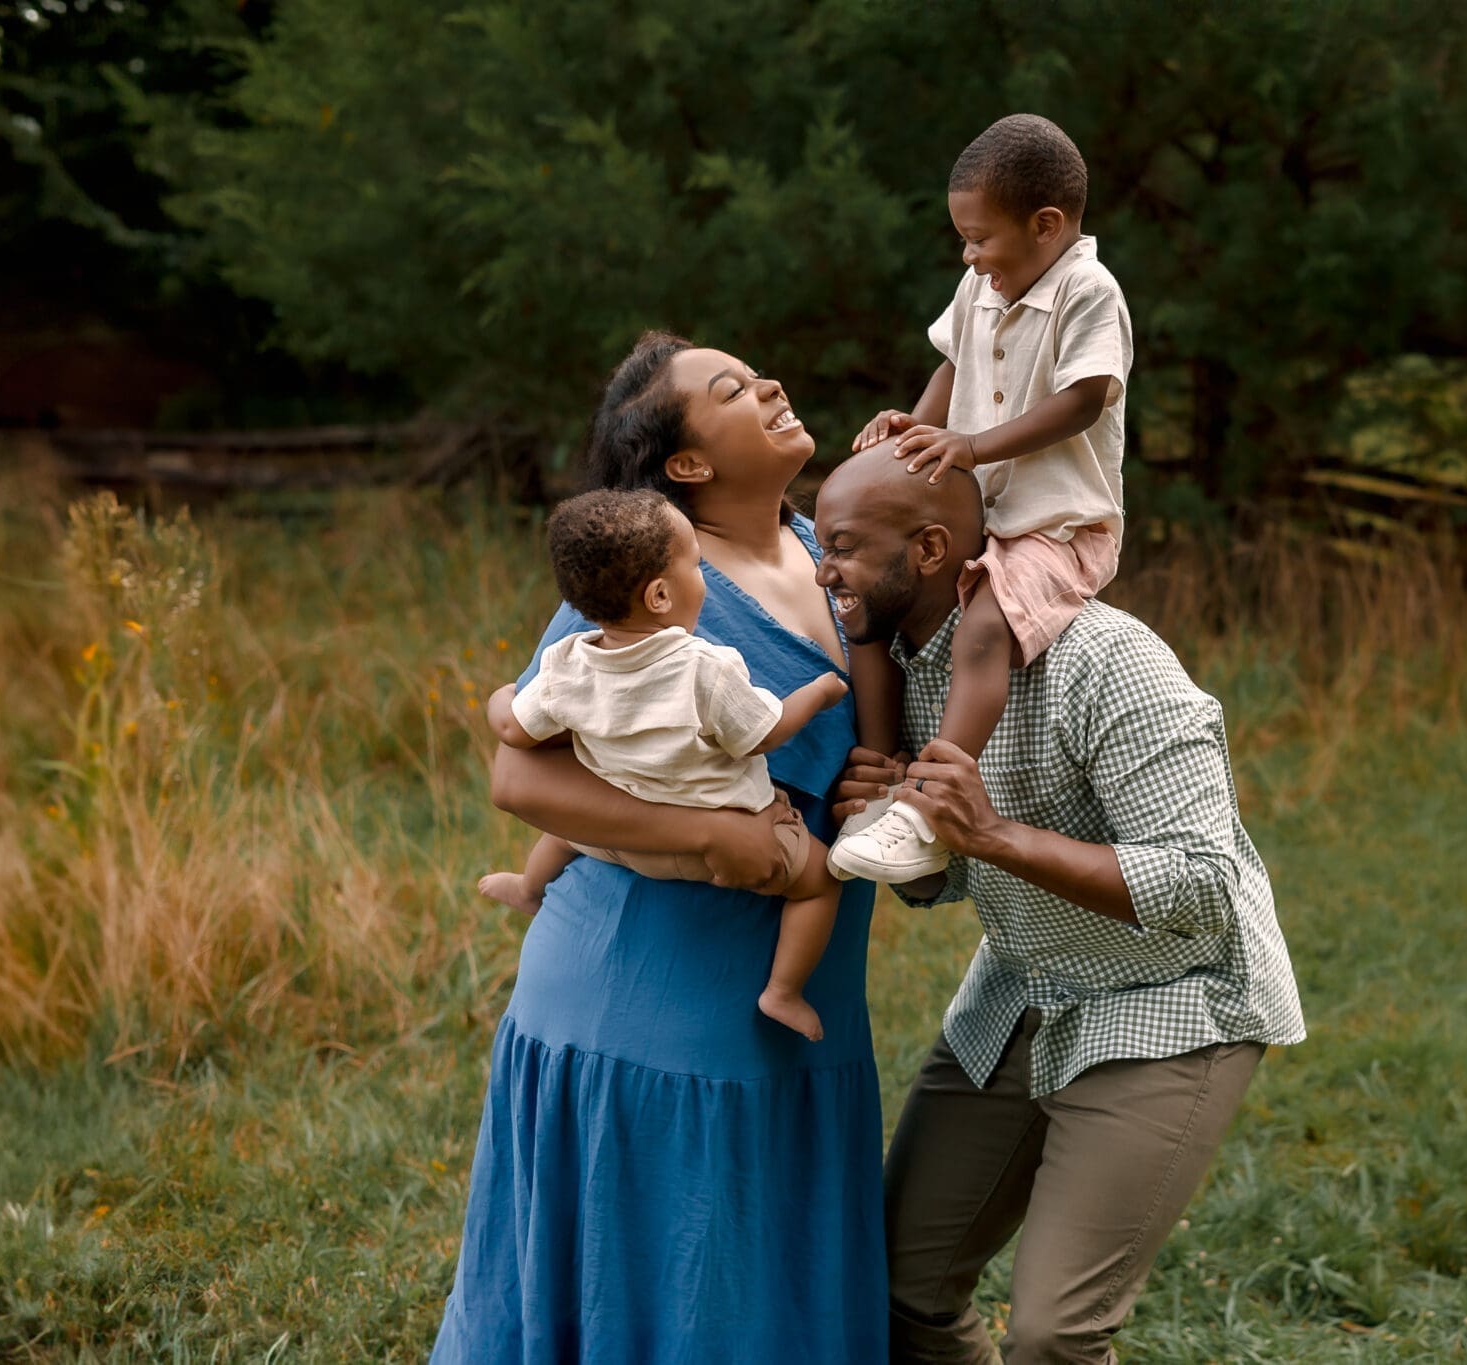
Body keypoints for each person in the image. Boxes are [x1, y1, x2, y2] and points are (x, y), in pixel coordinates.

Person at [432, 333, 888, 1362]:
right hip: (641, 1004)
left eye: (758, 371)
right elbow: (521, 774)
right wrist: (711, 835)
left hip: (805, 999)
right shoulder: (652, 583)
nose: (770, 383)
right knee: (679, 1292)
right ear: (685, 466)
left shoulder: (842, 550)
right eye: (730, 389)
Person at [812, 449, 1306, 1364]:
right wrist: (897, 830)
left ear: (927, 549)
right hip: (1022, 989)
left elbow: (1202, 886)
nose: (820, 569)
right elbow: (942, 880)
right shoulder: (914, 672)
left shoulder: (1113, 664)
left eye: (840, 545)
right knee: (895, 1290)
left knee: (1053, 1335)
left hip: (1173, 1003)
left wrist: (993, 832)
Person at [831, 113, 1133, 885]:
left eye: (980, 238)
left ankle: (926, 809)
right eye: (962, 240)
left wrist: (971, 446)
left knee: (982, 628)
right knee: (870, 592)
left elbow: (1087, 398)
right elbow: (952, 367)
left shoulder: (1087, 290)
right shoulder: (981, 285)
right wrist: (921, 425)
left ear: (1047, 224)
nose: (969, 256)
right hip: (988, 515)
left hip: (1059, 526)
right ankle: (884, 766)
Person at [477, 487, 850, 1040]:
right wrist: (818, 693)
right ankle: (783, 991)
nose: (703, 577)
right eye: (696, 565)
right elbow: (760, 735)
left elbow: (513, 727)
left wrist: (502, 694)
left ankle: (531, 888)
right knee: (820, 880)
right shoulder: (705, 667)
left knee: (562, 834)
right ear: (658, 595)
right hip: (730, 841)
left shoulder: (567, 664)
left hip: (622, 842)